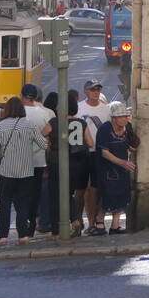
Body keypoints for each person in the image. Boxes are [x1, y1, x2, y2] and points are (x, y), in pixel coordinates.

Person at [0, 97, 43, 245]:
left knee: (5, 203)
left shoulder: (0, 126)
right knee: (23, 203)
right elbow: (43, 144)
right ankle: (23, 235)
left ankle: (3, 236)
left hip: (5, 171)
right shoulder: (30, 125)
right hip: (25, 170)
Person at [40, 90, 94, 238]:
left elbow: (40, 136)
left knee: (58, 194)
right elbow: (90, 142)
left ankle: (65, 227)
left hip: (58, 162)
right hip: (79, 163)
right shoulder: (81, 122)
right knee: (70, 193)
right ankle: (75, 220)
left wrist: (49, 143)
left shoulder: (54, 122)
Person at [94, 102, 137, 235]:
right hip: (106, 168)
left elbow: (132, 147)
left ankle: (115, 225)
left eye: (125, 116)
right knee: (106, 195)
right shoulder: (105, 129)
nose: (124, 118)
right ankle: (99, 221)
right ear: (113, 118)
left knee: (122, 195)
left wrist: (133, 142)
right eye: (121, 116)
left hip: (122, 169)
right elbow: (104, 152)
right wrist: (123, 162)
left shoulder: (127, 128)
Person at [78, 79, 114, 231]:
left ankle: (94, 221)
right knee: (82, 189)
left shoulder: (106, 110)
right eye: (93, 90)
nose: (96, 92)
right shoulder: (79, 108)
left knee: (96, 188)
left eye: (98, 89)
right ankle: (83, 221)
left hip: (99, 153)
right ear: (86, 91)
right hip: (82, 153)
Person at [19, 83, 53, 235]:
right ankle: (40, 222)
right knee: (43, 193)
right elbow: (52, 137)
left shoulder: (17, 113)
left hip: (22, 161)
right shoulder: (48, 113)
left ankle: (25, 225)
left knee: (24, 194)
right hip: (43, 160)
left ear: (22, 96)